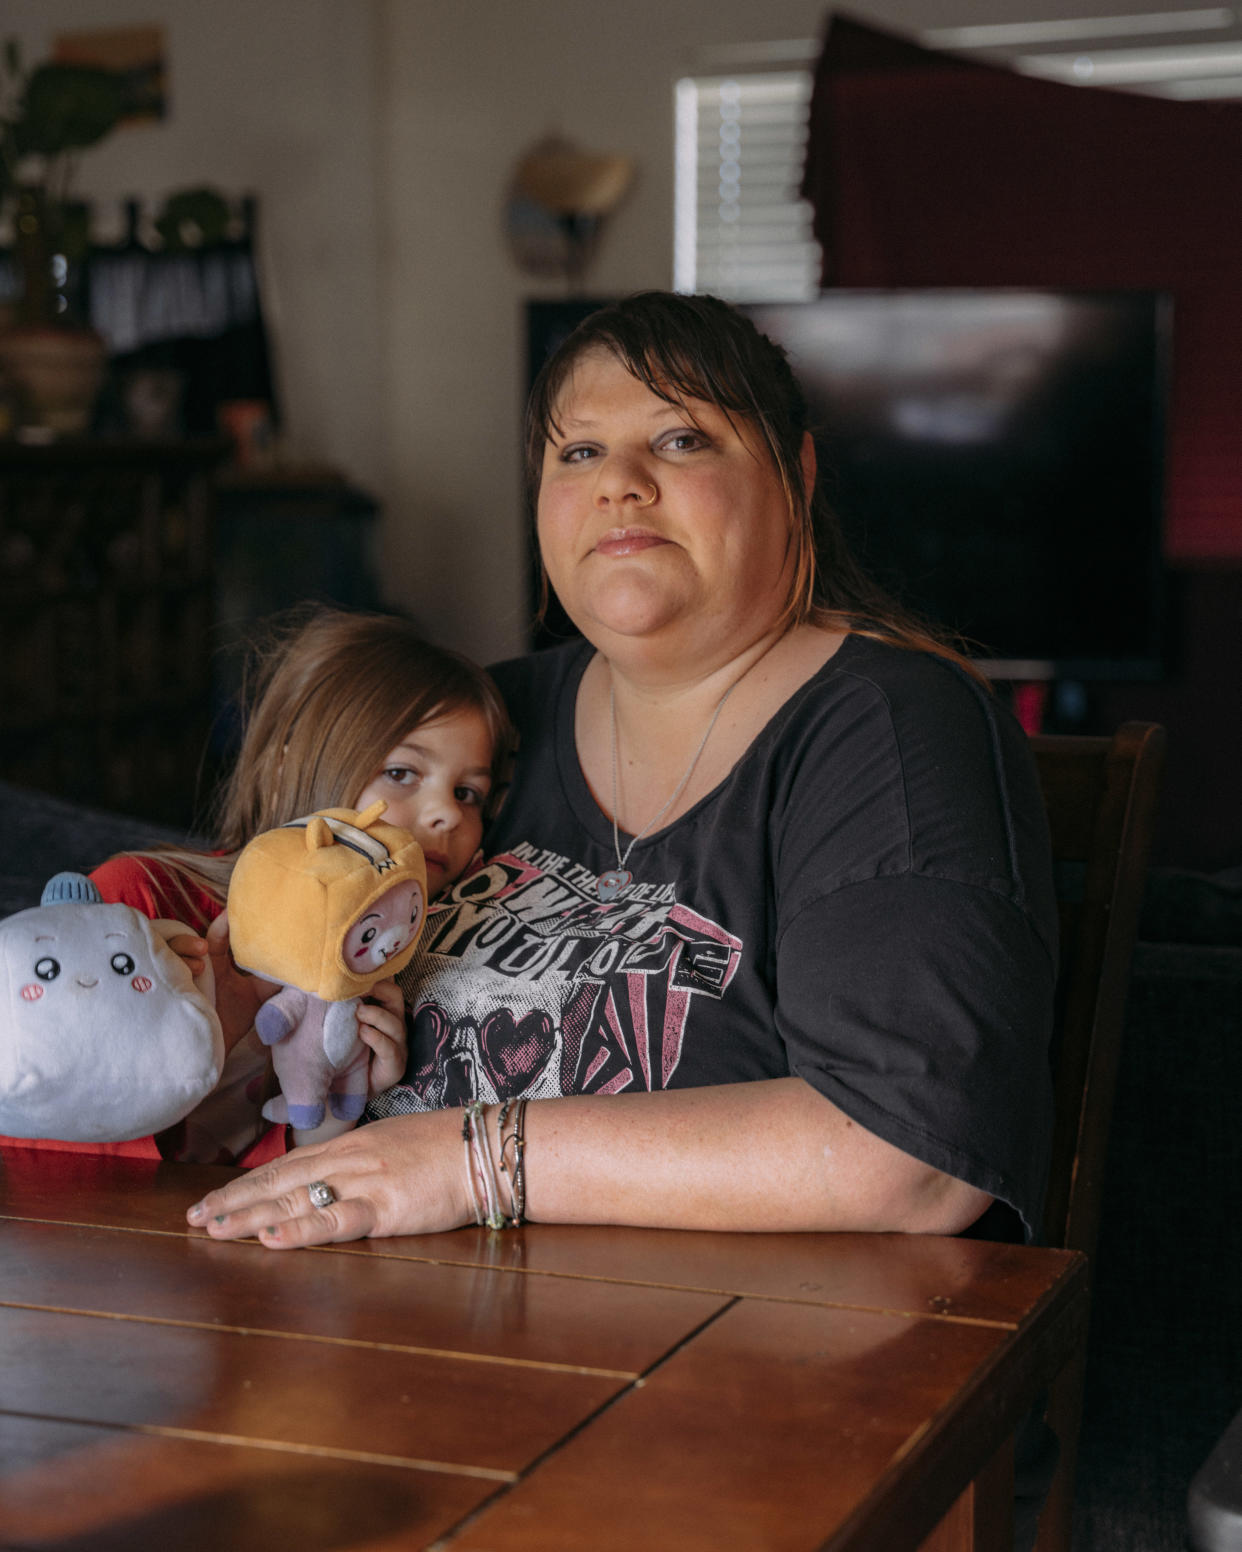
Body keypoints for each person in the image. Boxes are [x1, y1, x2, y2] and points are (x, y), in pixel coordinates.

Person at [188, 290, 1058, 1250]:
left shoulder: (891, 727)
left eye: (681, 439)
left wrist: (464, 1161)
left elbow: (910, 1158)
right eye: (580, 452)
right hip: (385, 1325)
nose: (620, 484)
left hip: (721, 1360)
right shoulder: (473, 727)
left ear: (795, 473)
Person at [6, 608, 511, 1165]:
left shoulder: (382, 968)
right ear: (286, 767)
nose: (446, 813)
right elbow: (36, 1121)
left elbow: (273, 1177)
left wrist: (346, 1105)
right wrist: (204, 1041)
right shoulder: (140, 903)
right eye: (401, 772)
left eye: (469, 793)